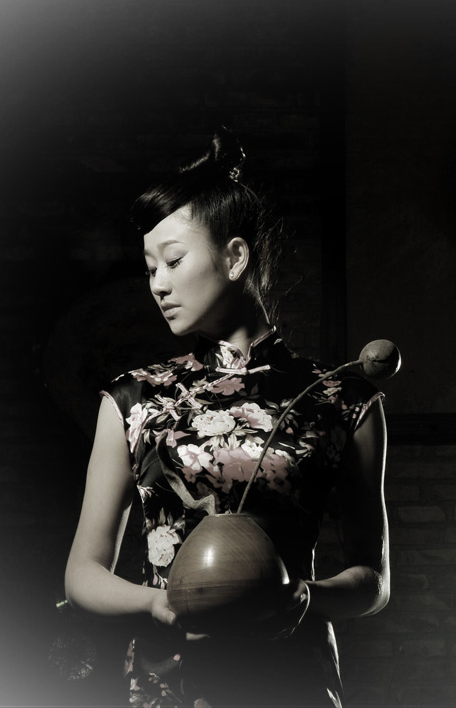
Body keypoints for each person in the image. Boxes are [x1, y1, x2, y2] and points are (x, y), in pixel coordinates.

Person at [64, 128, 390, 707]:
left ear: (235, 257)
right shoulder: (134, 400)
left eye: (173, 260)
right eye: (150, 268)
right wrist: (155, 602)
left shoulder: (339, 397)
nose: (158, 284)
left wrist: (305, 597)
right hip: (169, 681)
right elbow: (82, 574)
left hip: (291, 681)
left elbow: (375, 581)